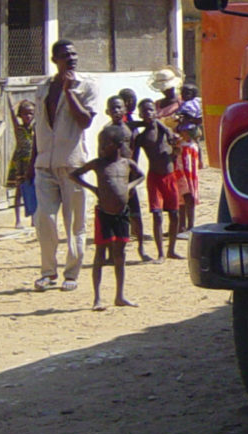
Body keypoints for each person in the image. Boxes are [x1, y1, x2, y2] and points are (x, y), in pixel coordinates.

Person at [32, 39, 99, 292]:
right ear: (54, 60)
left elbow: (84, 122)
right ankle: (48, 273)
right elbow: (38, 126)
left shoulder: (86, 86)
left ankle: (71, 273)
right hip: (44, 164)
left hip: (72, 165)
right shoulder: (44, 88)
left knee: (75, 223)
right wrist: (32, 163)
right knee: (44, 219)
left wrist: (71, 92)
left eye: (74, 54)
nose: (71, 58)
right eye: (65, 55)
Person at [71, 121, 144, 311]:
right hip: (103, 214)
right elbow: (74, 175)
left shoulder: (126, 164)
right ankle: (97, 298)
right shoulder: (98, 164)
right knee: (100, 255)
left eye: (106, 144)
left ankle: (119, 295)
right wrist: (93, 189)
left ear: (118, 145)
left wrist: (129, 186)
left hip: (122, 214)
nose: (102, 148)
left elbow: (141, 175)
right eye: (101, 144)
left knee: (120, 255)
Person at [134, 98, 185, 261]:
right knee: (157, 215)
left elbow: (176, 145)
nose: (148, 113)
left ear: (155, 112)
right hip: (154, 177)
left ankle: (171, 249)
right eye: (145, 111)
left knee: (174, 214)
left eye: (150, 110)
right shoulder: (141, 137)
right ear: (140, 114)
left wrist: (175, 147)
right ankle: (161, 252)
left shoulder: (164, 129)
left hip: (170, 176)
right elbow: (134, 159)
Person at [118, 87, 149, 259]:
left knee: (134, 210)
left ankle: (140, 246)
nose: (131, 103)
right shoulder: (121, 123)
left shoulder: (130, 119)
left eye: (132, 100)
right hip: (121, 173)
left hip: (131, 172)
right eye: (127, 100)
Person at [6, 99, 36, 227]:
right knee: (19, 191)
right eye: (24, 114)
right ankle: (18, 219)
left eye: (30, 113)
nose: (28, 116)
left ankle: (34, 219)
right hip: (20, 163)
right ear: (20, 115)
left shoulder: (35, 129)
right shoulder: (18, 129)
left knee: (34, 191)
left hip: (32, 162)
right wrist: (16, 102)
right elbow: (12, 112)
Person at [176, 120, 203, 234]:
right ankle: (181, 226)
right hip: (181, 175)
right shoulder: (180, 144)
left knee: (188, 198)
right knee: (181, 200)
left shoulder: (192, 146)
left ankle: (190, 226)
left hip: (189, 176)